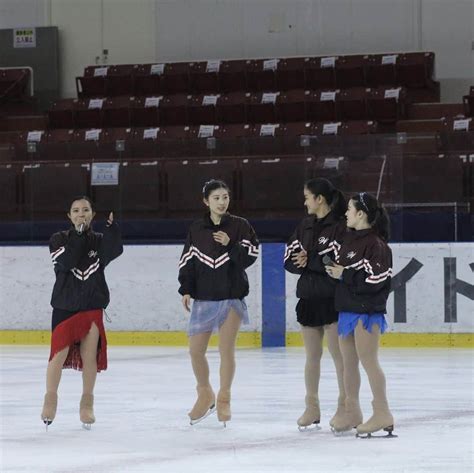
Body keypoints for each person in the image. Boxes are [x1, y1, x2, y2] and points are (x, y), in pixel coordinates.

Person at [178, 180, 259, 426]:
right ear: (206, 201)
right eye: (216, 198)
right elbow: (187, 261)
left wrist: (230, 244)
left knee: (226, 351)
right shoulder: (196, 228)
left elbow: (250, 257)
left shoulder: (240, 226)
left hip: (231, 297)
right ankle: (205, 394)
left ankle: (224, 398)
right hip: (203, 298)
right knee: (195, 350)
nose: (222, 202)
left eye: (225, 197)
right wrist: (186, 289)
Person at [41, 196, 123, 429]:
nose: (81, 214)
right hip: (65, 306)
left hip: (91, 306)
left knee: (89, 357)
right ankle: (50, 399)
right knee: (57, 355)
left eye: (85, 210)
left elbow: (115, 250)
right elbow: (67, 262)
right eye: (76, 210)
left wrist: (112, 230)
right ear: (69, 215)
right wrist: (77, 236)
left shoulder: (99, 241)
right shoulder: (58, 239)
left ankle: (87, 404)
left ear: (92, 214)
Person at [326, 192, 395, 438]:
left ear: (361, 214)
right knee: (348, 364)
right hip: (346, 309)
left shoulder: (376, 245)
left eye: (349, 209)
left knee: (369, 361)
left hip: (367, 312)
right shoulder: (349, 240)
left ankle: (382, 412)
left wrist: (344, 274)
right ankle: (351, 411)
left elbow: (376, 280)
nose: (345, 213)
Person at [284, 178, 347, 430]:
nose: (305, 201)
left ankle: (346, 407)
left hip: (333, 298)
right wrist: (303, 261)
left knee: (339, 356)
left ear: (319, 199)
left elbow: (336, 262)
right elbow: (288, 258)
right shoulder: (305, 225)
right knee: (312, 356)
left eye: (307, 197)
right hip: (308, 297)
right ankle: (312, 407)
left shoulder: (341, 227)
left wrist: (309, 259)